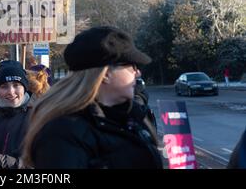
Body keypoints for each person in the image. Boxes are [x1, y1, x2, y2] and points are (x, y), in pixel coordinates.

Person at [22, 26, 163, 169]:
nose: (137, 73)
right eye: (131, 66)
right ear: (106, 74)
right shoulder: (63, 132)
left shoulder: (133, 116)